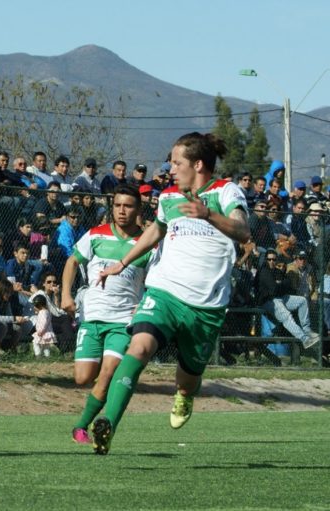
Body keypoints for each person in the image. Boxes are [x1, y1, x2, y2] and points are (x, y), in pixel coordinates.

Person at [90, 132, 251, 456]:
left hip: (206, 306)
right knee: (139, 347)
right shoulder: (168, 197)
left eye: (177, 162)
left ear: (198, 164)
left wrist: (208, 215)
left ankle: (184, 395)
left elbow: (242, 230)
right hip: (164, 291)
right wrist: (123, 262)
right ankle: (108, 423)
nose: (171, 168)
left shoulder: (225, 191)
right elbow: (155, 231)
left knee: (187, 378)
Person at [61, 184, 151, 444]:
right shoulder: (95, 235)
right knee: (83, 378)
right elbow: (71, 262)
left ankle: (81, 427)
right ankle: (98, 405)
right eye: (117, 205)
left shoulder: (146, 244)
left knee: (109, 373)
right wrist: (66, 295)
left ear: (138, 209)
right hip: (92, 317)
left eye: (128, 206)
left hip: (123, 322)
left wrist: (143, 303)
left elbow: (156, 280)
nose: (122, 211)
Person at [256, 250, 320, 350]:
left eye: (274, 259)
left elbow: (288, 284)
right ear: (266, 260)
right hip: (269, 301)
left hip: (281, 297)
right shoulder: (264, 271)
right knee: (286, 316)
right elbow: (273, 289)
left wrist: (279, 284)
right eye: (269, 259)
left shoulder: (276, 271)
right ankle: (305, 340)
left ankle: (307, 330)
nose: (272, 261)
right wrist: (280, 284)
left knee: (302, 301)